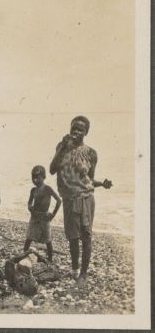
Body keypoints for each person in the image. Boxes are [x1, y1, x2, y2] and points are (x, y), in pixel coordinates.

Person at [50, 116, 112, 284]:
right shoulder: (61, 147)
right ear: (70, 129)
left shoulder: (91, 153)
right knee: (72, 237)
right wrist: (62, 147)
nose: (76, 132)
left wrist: (103, 184)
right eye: (74, 128)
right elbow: (52, 169)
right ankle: (75, 268)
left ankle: (83, 273)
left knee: (86, 235)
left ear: (86, 132)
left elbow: (89, 180)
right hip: (69, 199)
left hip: (86, 198)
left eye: (80, 129)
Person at [24, 165, 61, 262]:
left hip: (45, 217)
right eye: (33, 178)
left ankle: (50, 258)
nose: (35, 180)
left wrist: (52, 214)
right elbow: (29, 202)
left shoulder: (48, 189)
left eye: (37, 177)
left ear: (44, 177)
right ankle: (24, 255)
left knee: (48, 239)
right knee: (29, 237)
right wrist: (29, 207)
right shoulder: (33, 190)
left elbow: (59, 201)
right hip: (35, 216)